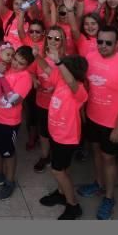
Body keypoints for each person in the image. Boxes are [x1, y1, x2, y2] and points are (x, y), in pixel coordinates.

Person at [77, 26, 118, 220]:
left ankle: (109, 197)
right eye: (100, 41)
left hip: (112, 124)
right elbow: (86, 85)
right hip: (92, 117)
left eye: (108, 43)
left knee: (108, 159)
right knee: (96, 152)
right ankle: (98, 183)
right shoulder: (90, 58)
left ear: (117, 44)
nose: (103, 46)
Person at [36, 54, 89, 220]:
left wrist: (59, 62)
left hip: (66, 138)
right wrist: (36, 55)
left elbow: (72, 82)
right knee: (63, 169)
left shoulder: (79, 89)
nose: (59, 70)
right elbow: (45, 67)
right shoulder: (60, 80)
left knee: (58, 171)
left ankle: (73, 205)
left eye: (63, 68)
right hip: (56, 134)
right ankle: (60, 194)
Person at [0, 45, 34, 200]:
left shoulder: (25, 78)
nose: (15, 64)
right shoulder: (6, 65)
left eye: (21, 63)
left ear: (27, 66)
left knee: (8, 152)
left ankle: (9, 181)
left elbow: (14, 101)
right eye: (15, 59)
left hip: (8, 122)